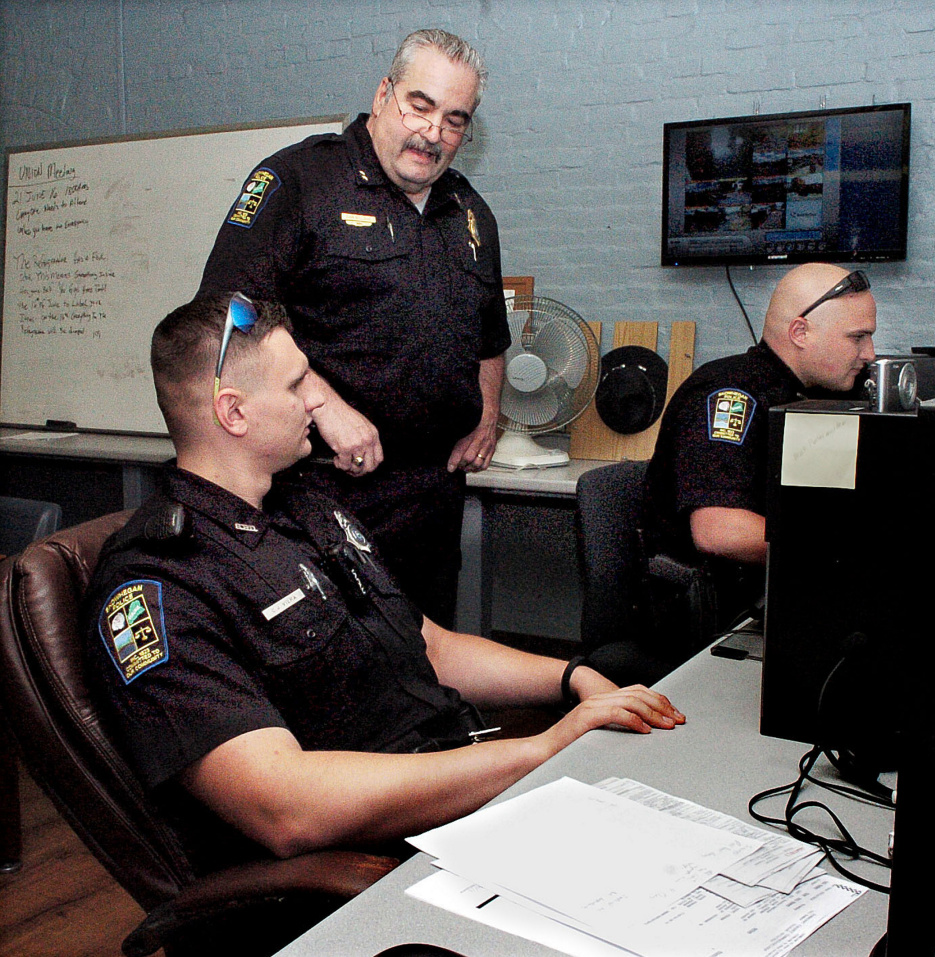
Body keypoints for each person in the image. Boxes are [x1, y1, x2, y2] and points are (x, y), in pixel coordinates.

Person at [85, 294, 684, 878]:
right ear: (233, 412)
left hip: (461, 788)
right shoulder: (159, 584)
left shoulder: (303, 506)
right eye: (297, 384)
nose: (319, 398)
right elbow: (283, 806)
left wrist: (572, 678)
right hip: (376, 862)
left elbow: (430, 647)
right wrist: (540, 751)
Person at [197, 29, 508, 628]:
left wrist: (487, 412)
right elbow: (227, 313)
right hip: (323, 492)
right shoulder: (299, 182)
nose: (432, 133)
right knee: (335, 667)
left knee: (426, 661)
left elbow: (490, 335)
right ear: (385, 93)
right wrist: (324, 405)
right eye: (420, 106)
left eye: (455, 120)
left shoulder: (470, 213)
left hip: (431, 496)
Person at [641, 263, 877, 631]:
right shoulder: (730, 395)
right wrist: (846, 551)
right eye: (857, 337)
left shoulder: (810, 395)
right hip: (713, 614)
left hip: (776, 595)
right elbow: (719, 532)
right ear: (800, 332)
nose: (869, 354)